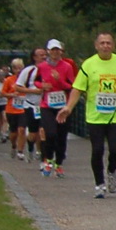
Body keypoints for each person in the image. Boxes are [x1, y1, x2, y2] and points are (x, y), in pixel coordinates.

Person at [57, 32, 116, 198]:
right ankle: (99, 184)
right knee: (97, 150)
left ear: (113, 46)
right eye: (102, 43)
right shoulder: (89, 64)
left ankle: (111, 170)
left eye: (108, 43)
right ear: (96, 46)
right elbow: (77, 88)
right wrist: (68, 107)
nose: (105, 46)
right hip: (95, 116)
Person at [37, 39, 79, 178]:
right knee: (50, 133)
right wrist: (42, 86)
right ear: (48, 51)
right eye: (52, 50)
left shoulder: (67, 66)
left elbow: (72, 86)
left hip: (63, 107)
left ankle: (59, 164)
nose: (55, 52)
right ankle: (48, 159)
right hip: (47, 105)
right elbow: (36, 81)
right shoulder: (42, 66)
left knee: (61, 136)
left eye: (57, 50)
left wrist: (59, 80)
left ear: (61, 51)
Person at [14, 48, 47, 168]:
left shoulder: (50, 69)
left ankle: (44, 157)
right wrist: (34, 91)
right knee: (33, 132)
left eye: (45, 54)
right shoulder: (28, 71)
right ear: (34, 57)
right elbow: (18, 87)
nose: (43, 57)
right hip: (31, 105)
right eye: (40, 55)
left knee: (44, 130)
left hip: (46, 106)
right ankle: (31, 146)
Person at [2, 57, 27, 159]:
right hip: (11, 109)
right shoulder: (9, 80)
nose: (18, 71)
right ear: (13, 69)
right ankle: (13, 145)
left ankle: (20, 151)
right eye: (16, 68)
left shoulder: (27, 79)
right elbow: (3, 92)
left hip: (23, 109)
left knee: (22, 129)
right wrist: (12, 95)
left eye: (20, 68)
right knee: (13, 133)